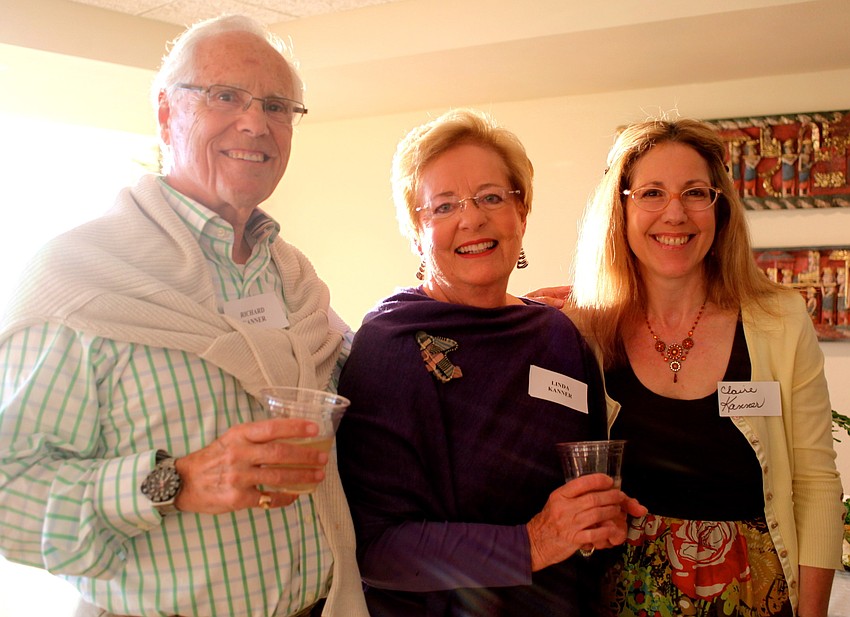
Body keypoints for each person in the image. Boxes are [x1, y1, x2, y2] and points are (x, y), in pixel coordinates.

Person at [0, 14, 368, 617]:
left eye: (277, 106)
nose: (256, 123)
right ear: (167, 113)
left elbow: (369, 380)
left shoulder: (294, 276)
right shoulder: (76, 275)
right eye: (225, 96)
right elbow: (7, 493)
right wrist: (176, 483)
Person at [335, 108, 646, 617]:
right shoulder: (390, 345)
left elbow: (586, 481)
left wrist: (598, 516)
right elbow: (377, 548)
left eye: (491, 197)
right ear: (416, 231)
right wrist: (534, 543)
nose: (472, 218)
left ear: (522, 213)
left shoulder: (558, 336)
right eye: (444, 206)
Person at [554, 118, 844, 617]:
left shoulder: (779, 319)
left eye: (695, 192)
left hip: (755, 598)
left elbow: (816, 484)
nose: (675, 213)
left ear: (720, 207)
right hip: (619, 599)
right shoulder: (583, 329)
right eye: (651, 193)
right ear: (620, 208)